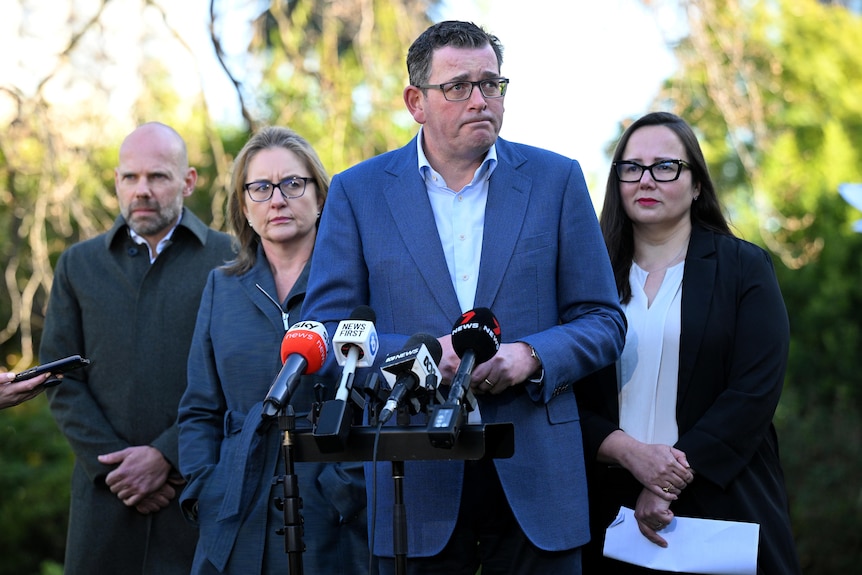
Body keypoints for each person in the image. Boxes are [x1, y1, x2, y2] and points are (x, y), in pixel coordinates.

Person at [302, 20, 626, 574]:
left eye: (492, 84)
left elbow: (603, 319)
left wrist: (533, 357)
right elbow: (329, 332)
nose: (480, 99)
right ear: (416, 101)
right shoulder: (358, 192)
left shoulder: (557, 180)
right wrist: (425, 355)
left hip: (536, 472)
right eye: (458, 86)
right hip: (413, 476)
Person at [575, 111, 802, 574]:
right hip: (608, 511)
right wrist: (630, 454)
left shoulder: (744, 268)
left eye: (666, 167)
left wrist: (665, 480)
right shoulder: (585, 278)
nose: (646, 180)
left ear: (697, 183)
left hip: (723, 497)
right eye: (632, 167)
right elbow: (564, 394)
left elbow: (754, 391)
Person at [39, 122, 235, 575]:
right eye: (130, 177)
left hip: (197, 497)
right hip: (107, 502)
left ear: (188, 181)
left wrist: (166, 456)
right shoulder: (78, 265)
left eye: (158, 177)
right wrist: (116, 468)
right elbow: (59, 377)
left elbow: (241, 373)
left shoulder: (230, 261)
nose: (141, 190)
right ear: (116, 183)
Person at [177, 126, 370, 574]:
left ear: (321, 198)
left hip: (333, 514)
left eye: (293, 184)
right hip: (234, 508)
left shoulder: (358, 283)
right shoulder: (221, 287)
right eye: (260, 188)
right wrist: (206, 487)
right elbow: (199, 409)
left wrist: (342, 493)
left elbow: (378, 401)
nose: (277, 199)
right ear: (244, 207)